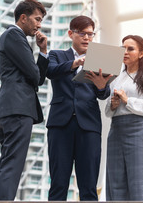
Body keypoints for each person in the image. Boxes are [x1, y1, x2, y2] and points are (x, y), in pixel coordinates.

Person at [46, 15, 112, 201]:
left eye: (91, 34)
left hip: (89, 126)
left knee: (89, 186)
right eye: (82, 33)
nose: (87, 38)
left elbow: (103, 94)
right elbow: (49, 72)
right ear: (70, 34)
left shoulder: (99, 59)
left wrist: (101, 85)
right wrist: (75, 63)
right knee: (58, 184)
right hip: (60, 125)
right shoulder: (56, 55)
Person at [0, 0, 49, 201]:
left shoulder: (14, 37)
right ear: (23, 18)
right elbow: (34, 75)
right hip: (17, 109)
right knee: (13, 164)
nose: (39, 25)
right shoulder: (14, 35)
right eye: (37, 19)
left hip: (9, 109)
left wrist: (43, 51)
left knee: (7, 163)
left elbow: (38, 79)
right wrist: (36, 63)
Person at [105, 35, 143, 201]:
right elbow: (108, 112)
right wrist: (113, 104)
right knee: (115, 183)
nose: (125, 52)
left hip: (139, 129)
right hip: (116, 130)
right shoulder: (115, 77)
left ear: (141, 53)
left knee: (141, 183)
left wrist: (127, 101)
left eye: (130, 49)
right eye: (123, 48)